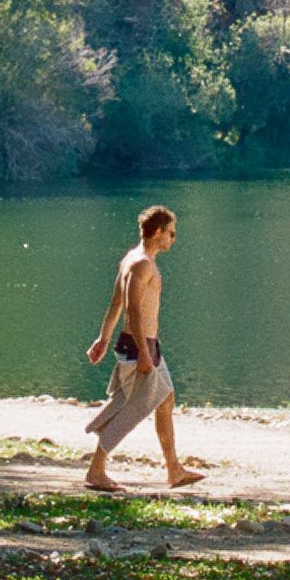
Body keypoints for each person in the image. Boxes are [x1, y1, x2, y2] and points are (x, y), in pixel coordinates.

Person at [84, 205, 204, 492]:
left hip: (146, 345)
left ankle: (174, 469)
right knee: (132, 408)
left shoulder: (132, 259)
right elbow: (133, 310)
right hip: (140, 347)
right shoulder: (142, 264)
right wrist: (144, 353)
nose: (174, 239)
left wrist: (103, 338)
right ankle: (96, 470)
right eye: (172, 233)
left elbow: (115, 303)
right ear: (159, 232)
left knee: (165, 400)